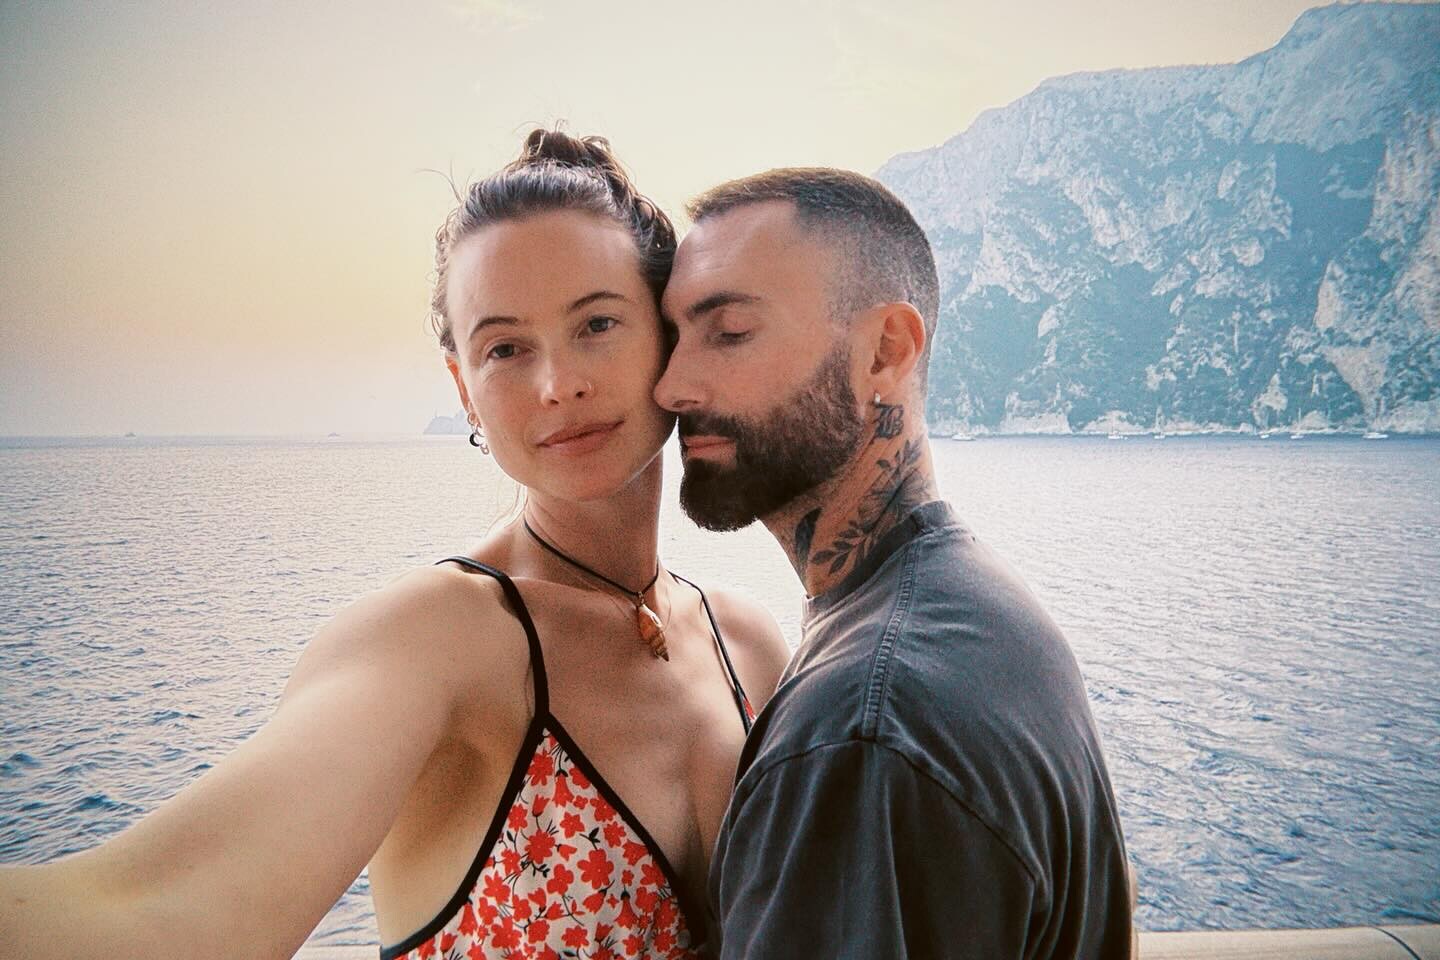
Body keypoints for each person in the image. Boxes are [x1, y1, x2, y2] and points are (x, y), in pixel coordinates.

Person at [0, 131, 790, 960]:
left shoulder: (748, 644)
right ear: (464, 390)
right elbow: (163, 909)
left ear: (667, 335)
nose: (560, 384)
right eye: (506, 348)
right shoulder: (441, 640)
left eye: (596, 323)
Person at [654, 168, 1136, 958]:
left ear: (885, 351)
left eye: (730, 332)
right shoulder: (982, 610)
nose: (672, 386)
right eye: (672, 337)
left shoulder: (862, 730)